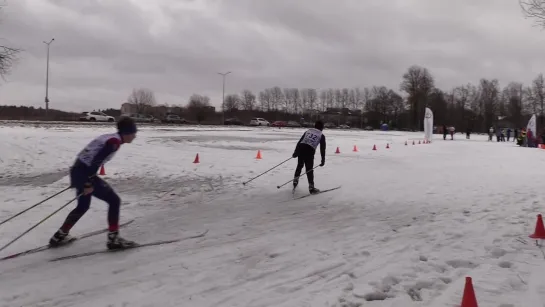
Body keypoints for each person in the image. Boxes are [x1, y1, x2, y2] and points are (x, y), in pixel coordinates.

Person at [49, 117, 138, 250]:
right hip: (85, 173)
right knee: (114, 201)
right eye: (134, 133)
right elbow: (96, 161)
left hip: (78, 171)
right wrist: (88, 183)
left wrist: (84, 180)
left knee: (83, 206)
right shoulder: (114, 142)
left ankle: (59, 236)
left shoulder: (110, 137)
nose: (135, 136)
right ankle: (113, 239)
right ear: (127, 132)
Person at [292, 120, 326, 194]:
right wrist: (323, 160)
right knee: (309, 169)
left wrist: (296, 152)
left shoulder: (308, 131)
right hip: (309, 151)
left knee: (299, 166)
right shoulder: (321, 135)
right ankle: (311, 188)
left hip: (301, 148)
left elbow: (300, 141)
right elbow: (322, 149)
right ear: (322, 127)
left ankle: (295, 181)